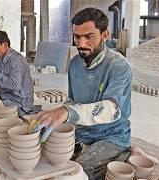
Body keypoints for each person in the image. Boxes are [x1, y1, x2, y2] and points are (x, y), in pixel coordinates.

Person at [30, 8, 132, 179]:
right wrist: (57, 112)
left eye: (89, 36)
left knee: (76, 172)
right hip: (84, 132)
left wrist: (67, 112)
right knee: (46, 155)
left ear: (105, 34)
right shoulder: (74, 64)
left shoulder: (119, 66)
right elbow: (72, 101)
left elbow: (112, 109)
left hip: (112, 135)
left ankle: (125, 152)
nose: (81, 43)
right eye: (77, 36)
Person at [0, 31, 34, 116]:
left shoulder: (16, 60)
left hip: (20, 102)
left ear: (5, 45)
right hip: (8, 95)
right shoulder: (3, 57)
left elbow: (15, 85)